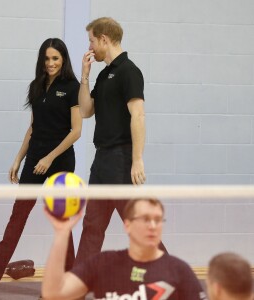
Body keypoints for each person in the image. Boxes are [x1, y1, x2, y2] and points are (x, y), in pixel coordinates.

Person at [0, 38, 82, 287]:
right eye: (47, 58)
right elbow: (32, 128)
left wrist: (49, 158)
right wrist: (18, 159)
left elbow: (76, 131)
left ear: (63, 60)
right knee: (18, 215)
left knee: (62, 221)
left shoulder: (72, 87)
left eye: (55, 58)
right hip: (34, 161)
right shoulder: (36, 86)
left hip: (59, 161)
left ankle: (70, 276)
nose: (50, 63)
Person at [76, 17, 166, 264]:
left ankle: (171, 278)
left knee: (137, 223)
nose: (91, 47)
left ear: (104, 39)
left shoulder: (129, 71)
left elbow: (138, 115)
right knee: (92, 225)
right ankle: (77, 284)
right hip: (102, 159)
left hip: (121, 159)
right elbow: (85, 111)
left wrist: (137, 160)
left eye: (92, 41)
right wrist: (85, 76)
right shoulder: (105, 75)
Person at [42, 198, 207, 300]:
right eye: (145, 219)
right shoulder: (103, 264)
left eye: (158, 220)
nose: (152, 226)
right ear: (127, 225)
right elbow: (53, 293)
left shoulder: (179, 271)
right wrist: (61, 235)